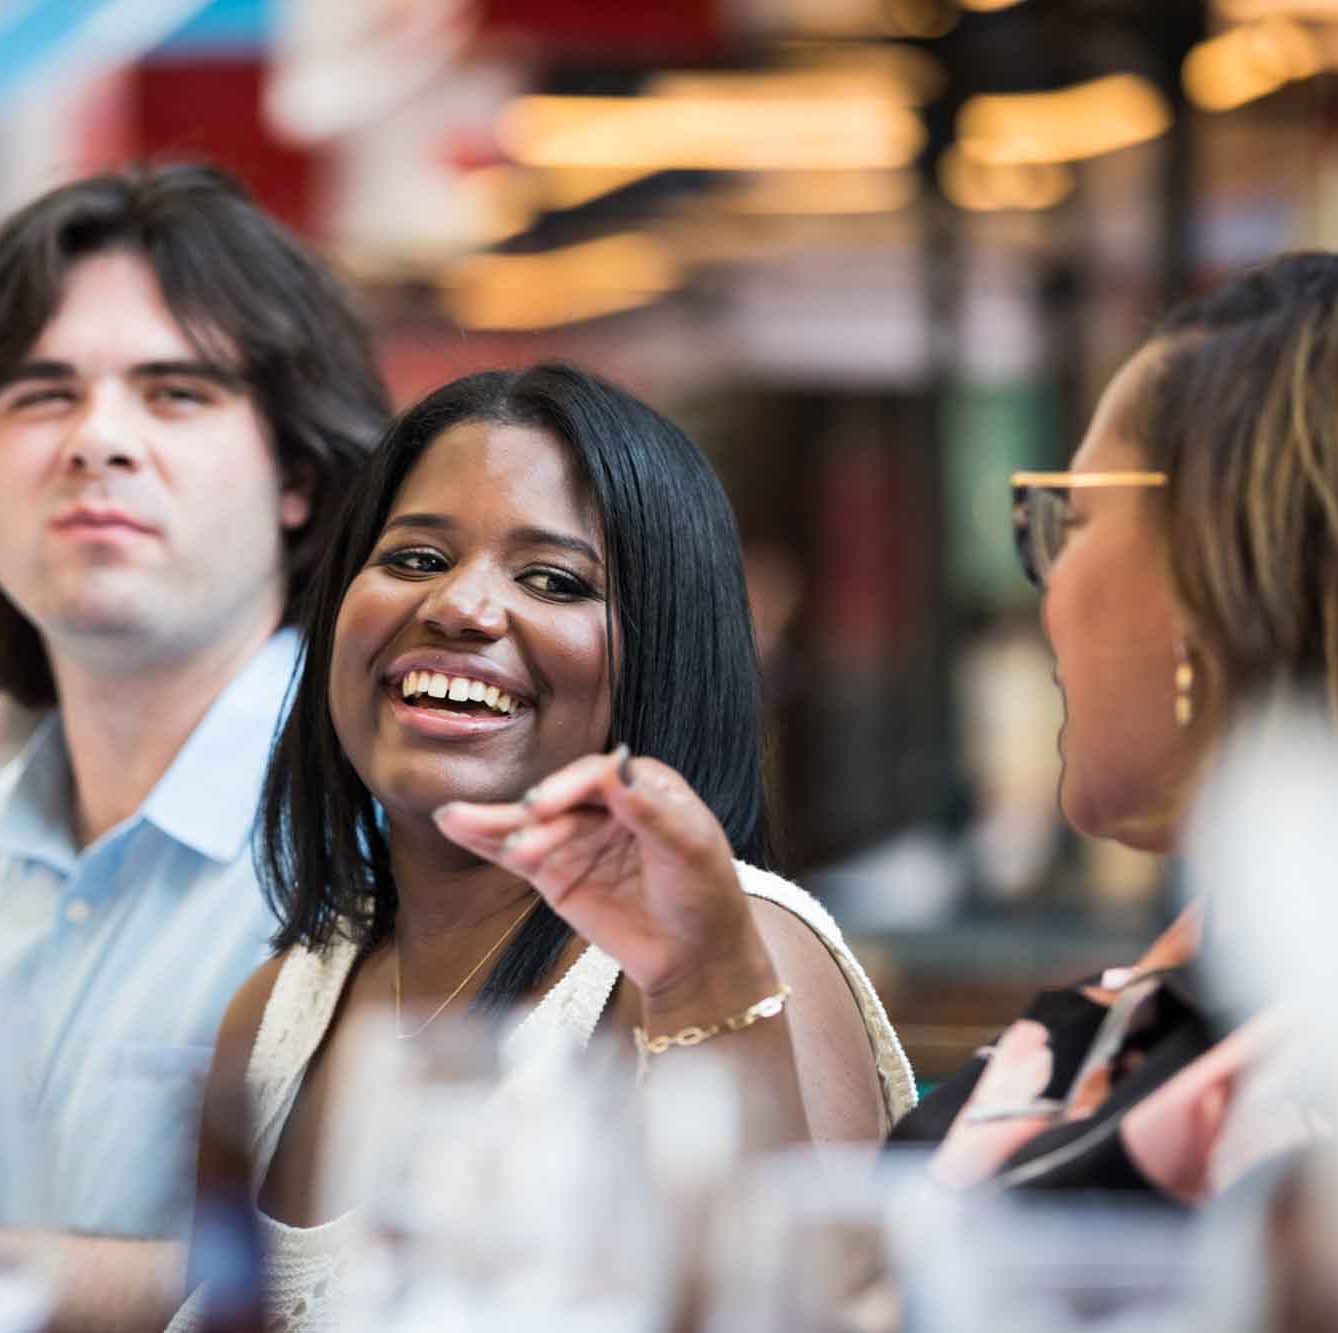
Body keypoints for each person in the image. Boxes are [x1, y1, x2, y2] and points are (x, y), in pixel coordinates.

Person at [438, 253, 1338, 1200]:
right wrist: (700, 976)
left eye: (1070, 519)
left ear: (1221, 565)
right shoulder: (1195, 1005)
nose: (1046, 586)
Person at [187, 363, 916, 1332]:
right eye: (412, 558)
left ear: (661, 657)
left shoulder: (739, 946)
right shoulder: (275, 1011)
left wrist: (702, 974)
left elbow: (797, 1315)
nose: (460, 608)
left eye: (553, 580)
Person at [0, 163, 389, 1332]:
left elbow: (372, 1286)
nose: (97, 439)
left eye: (175, 392)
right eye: (40, 395)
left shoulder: (384, 835)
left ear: (297, 479)